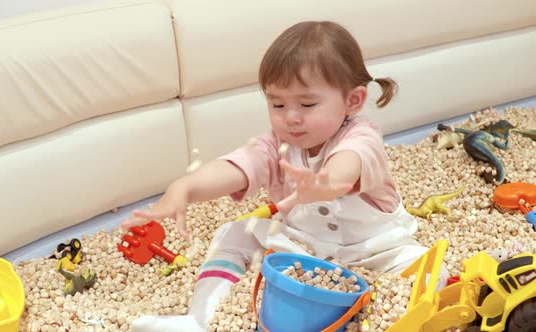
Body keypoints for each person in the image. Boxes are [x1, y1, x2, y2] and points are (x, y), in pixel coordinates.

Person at [124, 21, 445, 332]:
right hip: (302, 246)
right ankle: (199, 318)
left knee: (436, 273)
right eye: (277, 104)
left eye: (307, 103)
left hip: (377, 250)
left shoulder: (362, 136)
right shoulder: (276, 145)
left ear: (353, 101)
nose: (291, 117)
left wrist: (324, 184)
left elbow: (346, 167)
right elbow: (236, 167)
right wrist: (186, 187)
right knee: (233, 233)